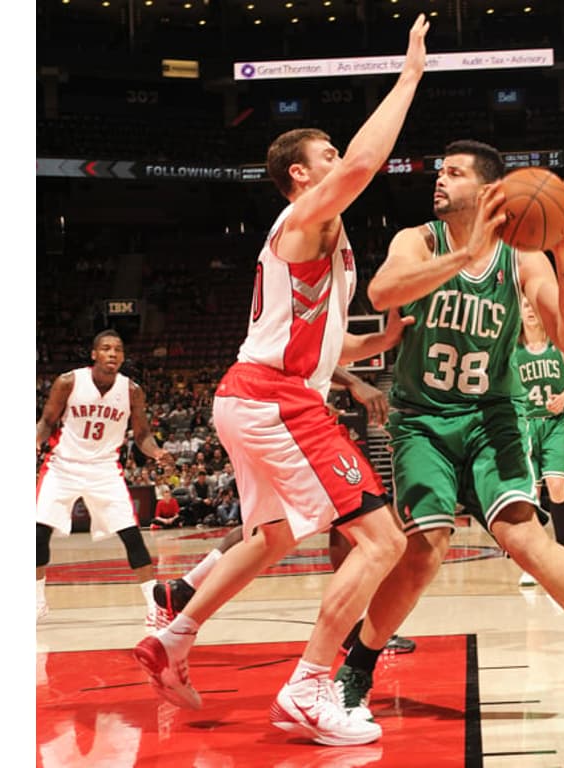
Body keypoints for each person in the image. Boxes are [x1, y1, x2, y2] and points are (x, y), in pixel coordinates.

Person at [132, 15, 430, 748]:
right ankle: (310, 686)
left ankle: (175, 631)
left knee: (271, 535)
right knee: (383, 542)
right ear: (301, 174)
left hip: (255, 393)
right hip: (274, 400)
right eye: (326, 153)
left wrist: (380, 340)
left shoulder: (323, 238)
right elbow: (362, 166)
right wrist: (410, 76)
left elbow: (324, 342)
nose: (341, 160)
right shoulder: (305, 218)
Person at [332, 139, 564, 731]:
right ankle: (359, 668)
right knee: (423, 552)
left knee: (528, 542)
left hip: (491, 415)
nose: (438, 180)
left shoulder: (523, 259)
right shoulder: (417, 240)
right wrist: (465, 251)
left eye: (453, 173)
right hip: (422, 419)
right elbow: (380, 294)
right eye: (439, 170)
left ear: (490, 190)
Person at [147, 367, 418, 656]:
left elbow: (330, 352)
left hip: (267, 408)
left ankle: (184, 594)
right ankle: (351, 632)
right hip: (282, 412)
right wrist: (355, 381)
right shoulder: (304, 329)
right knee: (360, 520)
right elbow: (308, 354)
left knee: (275, 525)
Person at [36, 329, 175, 629]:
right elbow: (47, 421)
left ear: (123, 357)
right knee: (37, 533)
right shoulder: (69, 382)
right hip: (63, 466)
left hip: (104, 470)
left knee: (132, 536)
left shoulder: (132, 391)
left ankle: (155, 606)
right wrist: (35, 439)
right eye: (106, 349)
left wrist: (157, 452)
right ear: (94, 354)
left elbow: (142, 436)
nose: (113, 354)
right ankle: (36, 601)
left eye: (118, 350)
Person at [511, 294, 564, 586]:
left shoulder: (559, 344)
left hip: (555, 422)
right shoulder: (512, 349)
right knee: (531, 493)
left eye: (534, 306)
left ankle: (562, 551)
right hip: (525, 424)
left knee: (556, 486)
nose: (530, 310)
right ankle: (533, 561)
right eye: (525, 306)